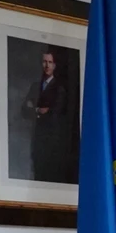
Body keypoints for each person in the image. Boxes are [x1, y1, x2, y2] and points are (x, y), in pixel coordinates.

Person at [23, 49, 76, 183]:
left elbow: (54, 114)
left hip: (52, 141)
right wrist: (38, 110)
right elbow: (24, 110)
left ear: (54, 65)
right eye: (44, 62)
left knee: (49, 174)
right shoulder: (35, 86)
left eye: (50, 62)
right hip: (37, 139)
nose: (47, 65)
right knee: (37, 172)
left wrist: (34, 109)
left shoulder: (59, 88)